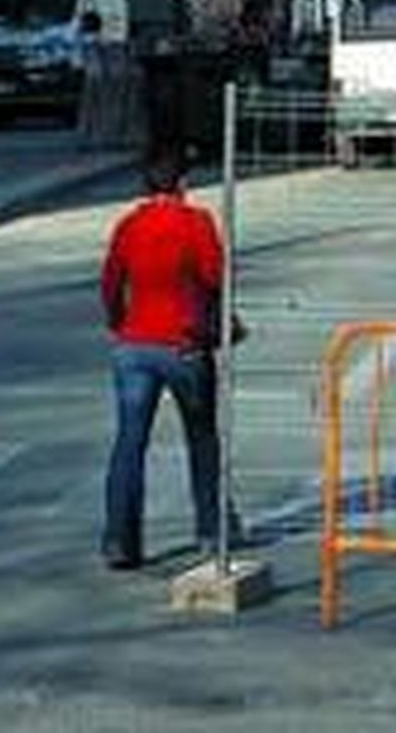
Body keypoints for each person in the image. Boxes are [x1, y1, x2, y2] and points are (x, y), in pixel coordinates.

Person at [99, 148, 238, 569]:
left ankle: (120, 541)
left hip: (133, 346)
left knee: (129, 441)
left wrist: (120, 323)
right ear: (183, 184)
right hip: (184, 346)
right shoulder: (196, 222)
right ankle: (211, 532)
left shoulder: (129, 224)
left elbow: (110, 283)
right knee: (201, 437)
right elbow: (215, 277)